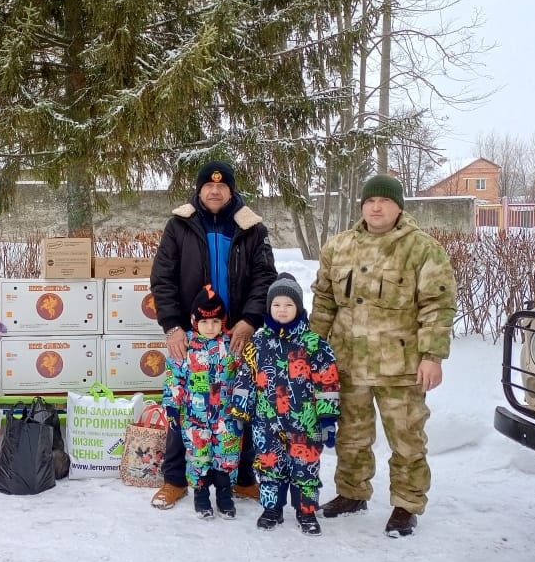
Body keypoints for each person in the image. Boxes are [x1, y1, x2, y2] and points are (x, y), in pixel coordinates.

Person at [309, 174, 455, 538]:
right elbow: (324, 301)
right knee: (351, 436)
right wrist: (312, 349)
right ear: (361, 205)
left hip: (400, 367)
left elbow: (437, 305)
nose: (376, 207)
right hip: (349, 363)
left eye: (384, 201)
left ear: (399, 206)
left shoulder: (421, 249)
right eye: (370, 200)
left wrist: (432, 355)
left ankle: (406, 505)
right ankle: (351, 493)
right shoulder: (339, 247)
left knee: (406, 439)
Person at [148, 160, 277, 510]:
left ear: (231, 190)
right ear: (200, 189)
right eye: (209, 186)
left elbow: (264, 277)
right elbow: (162, 279)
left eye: (222, 186)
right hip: (193, 334)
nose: (215, 191)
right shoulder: (180, 225)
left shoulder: (252, 228)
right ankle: (175, 480)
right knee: (185, 408)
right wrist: (173, 326)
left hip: (236, 333)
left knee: (239, 406)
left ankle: (242, 479)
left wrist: (250, 320)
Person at [231, 273, 340, 534]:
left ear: (299, 308)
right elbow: (245, 378)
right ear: (269, 307)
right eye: (277, 304)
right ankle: (272, 509)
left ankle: (306, 512)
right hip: (266, 423)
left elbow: (328, 382)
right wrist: (239, 412)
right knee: (269, 466)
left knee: (306, 469)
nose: (282, 310)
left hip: (305, 422)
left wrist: (327, 418)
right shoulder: (256, 343)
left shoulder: (314, 344)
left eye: (288, 305)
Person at [161, 286, 243, 519]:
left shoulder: (230, 346)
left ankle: (224, 494)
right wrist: (172, 408)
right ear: (195, 321)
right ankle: (201, 493)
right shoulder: (186, 347)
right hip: (195, 417)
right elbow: (174, 379)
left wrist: (244, 405)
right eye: (205, 322)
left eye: (216, 322)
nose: (210, 327)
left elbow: (243, 377)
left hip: (226, 415)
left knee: (226, 456)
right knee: (198, 455)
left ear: (223, 322)